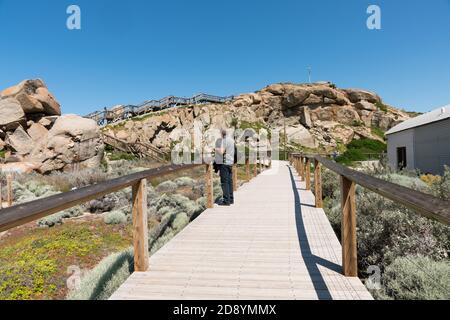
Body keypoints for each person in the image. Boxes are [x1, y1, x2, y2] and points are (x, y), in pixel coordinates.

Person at [215, 128, 235, 206]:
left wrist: (216, 149)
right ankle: (231, 199)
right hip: (230, 163)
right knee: (230, 181)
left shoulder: (224, 140)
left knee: (224, 182)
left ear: (222, 134)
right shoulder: (231, 140)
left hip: (225, 163)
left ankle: (226, 201)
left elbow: (222, 151)